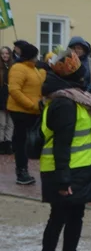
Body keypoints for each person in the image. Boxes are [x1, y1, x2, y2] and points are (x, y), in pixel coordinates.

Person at [36, 51, 91, 251]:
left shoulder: (75, 99)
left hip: (81, 169)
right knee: (58, 218)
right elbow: (61, 146)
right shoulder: (65, 103)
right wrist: (64, 180)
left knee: (75, 217)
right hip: (64, 171)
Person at [8, 41, 46, 185]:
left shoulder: (33, 68)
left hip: (32, 111)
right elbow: (14, 90)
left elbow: (37, 84)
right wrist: (31, 105)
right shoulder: (18, 68)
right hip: (20, 111)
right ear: (31, 56)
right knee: (21, 142)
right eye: (36, 55)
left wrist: (42, 72)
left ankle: (24, 170)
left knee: (28, 141)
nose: (38, 58)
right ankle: (21, 171)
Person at [0, 45, 13, 155]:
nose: (5, 55)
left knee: (10, 123)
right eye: (3, 53)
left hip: (11, 97)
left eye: (7, 53)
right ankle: (1, 143)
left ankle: (8, 143)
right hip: (1, 97)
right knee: (2, 123)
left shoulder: (13, 66)